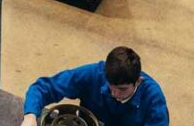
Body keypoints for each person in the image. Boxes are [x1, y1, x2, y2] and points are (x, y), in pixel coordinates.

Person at [22, 46, 169, 126]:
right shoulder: (94, 75)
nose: (115, 94)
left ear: (138, 81)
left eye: (122, 89)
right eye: (112, 86)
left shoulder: (153, 99)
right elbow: (43, 88)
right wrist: (30, 117)